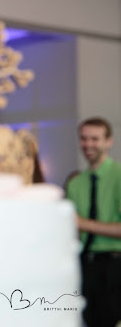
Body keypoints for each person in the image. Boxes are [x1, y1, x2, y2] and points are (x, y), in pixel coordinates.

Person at [66, 117, 121, 327]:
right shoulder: (75, 183)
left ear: (109, 141)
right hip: (85, 266)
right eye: (83, 139)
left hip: (115, 266)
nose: (88, 144)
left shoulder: (118, 176)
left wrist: (82, 223)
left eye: (95, 139)